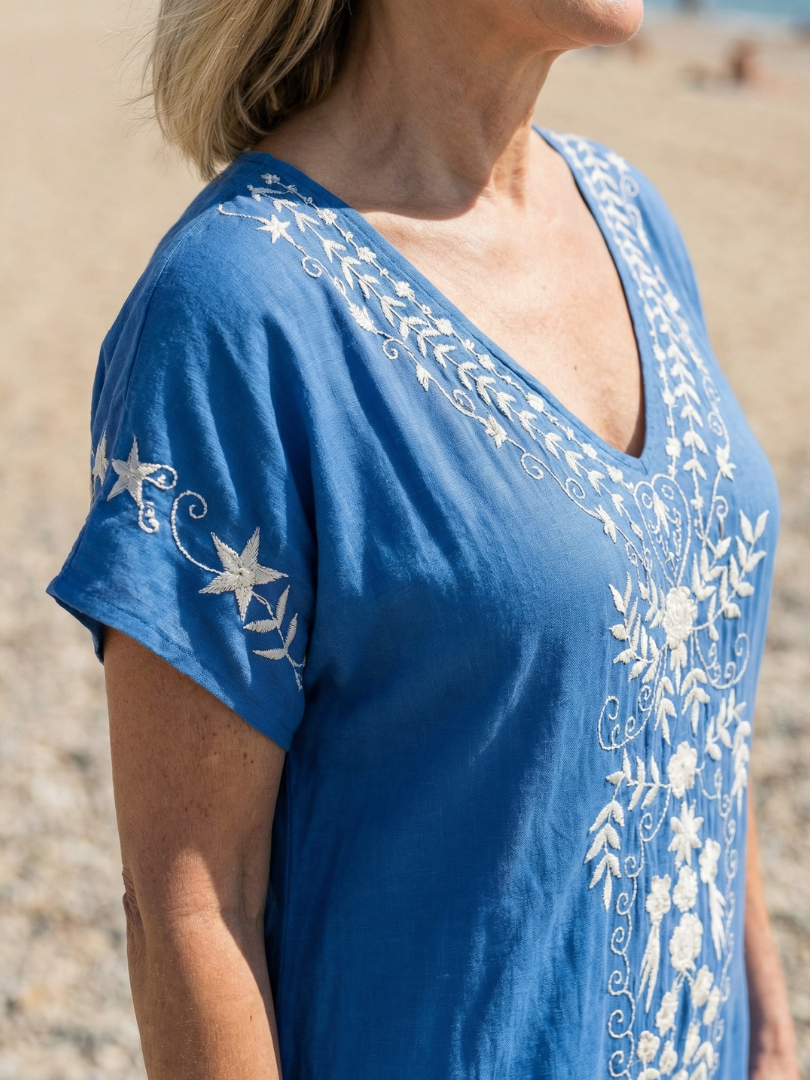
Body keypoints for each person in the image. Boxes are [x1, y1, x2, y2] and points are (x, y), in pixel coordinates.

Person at [47, 0, 802, 1077]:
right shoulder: (238, 312)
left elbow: (691, 684)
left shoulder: (631, 216)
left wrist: (767, 1026)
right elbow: (193, 904)